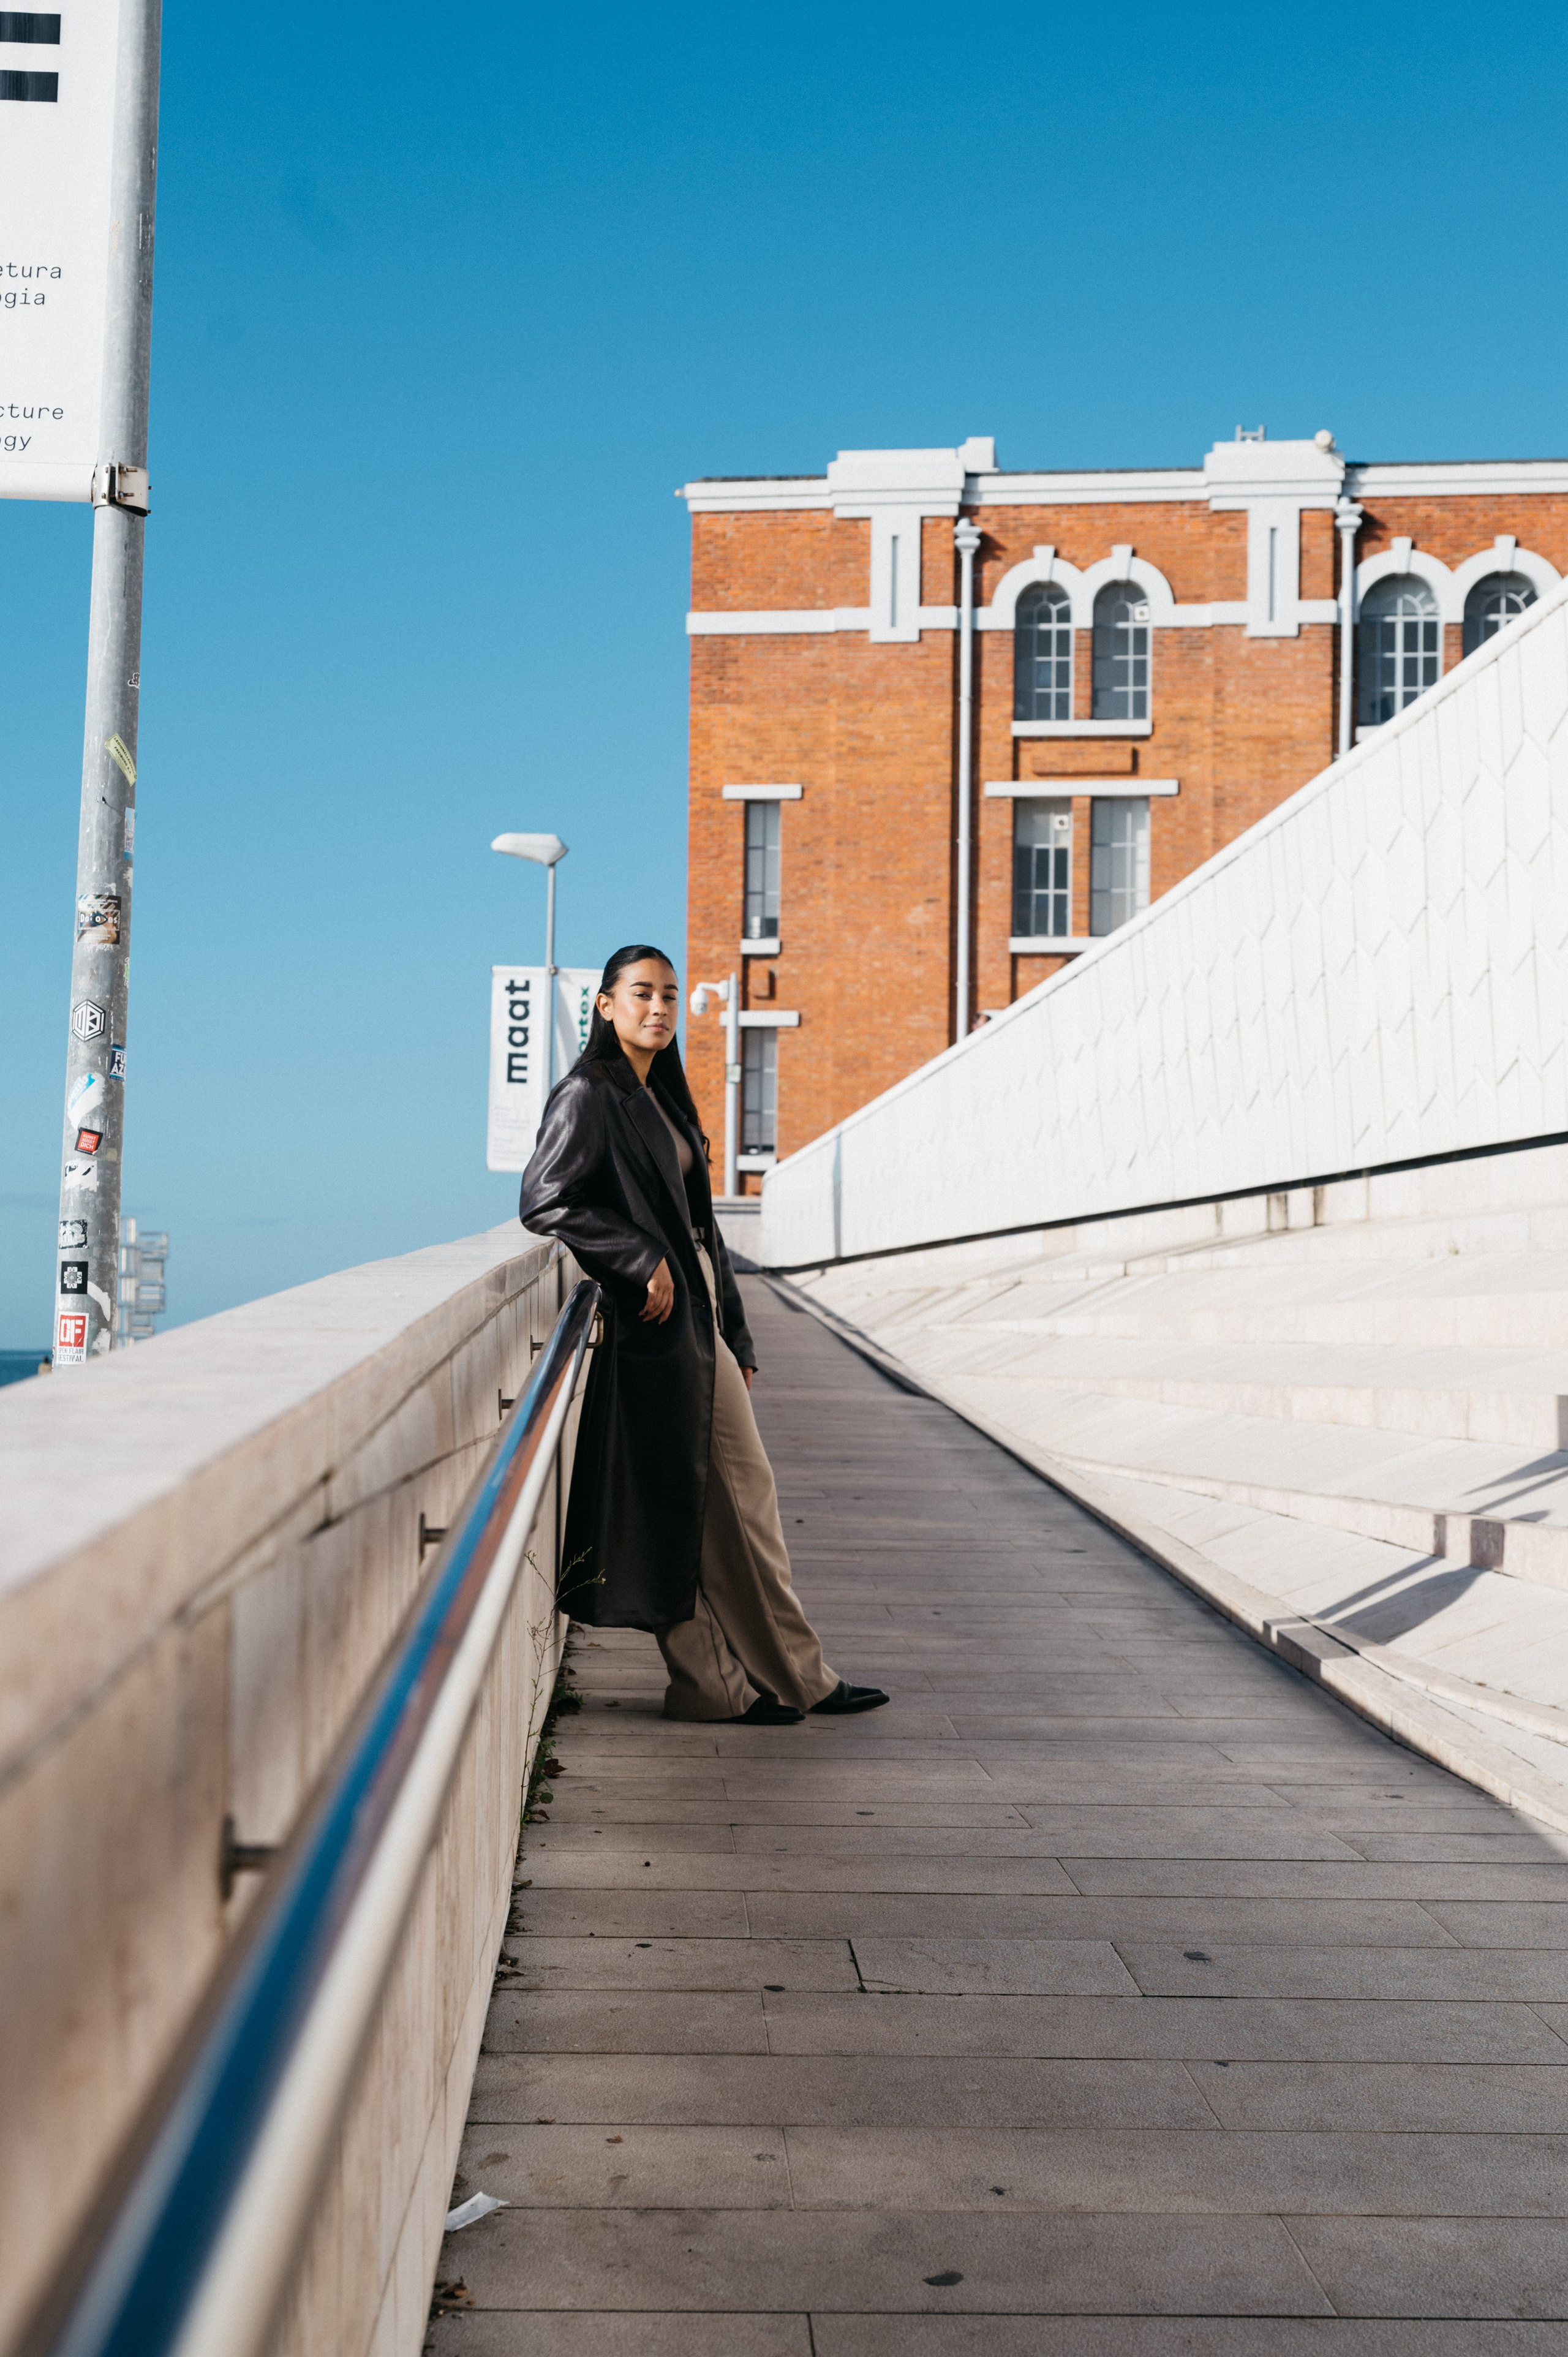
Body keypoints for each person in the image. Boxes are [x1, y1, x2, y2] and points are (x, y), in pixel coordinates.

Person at [519, 944, 888, 1726]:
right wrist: (636, 1255)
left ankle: (726, 1683)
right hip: (654, 1328)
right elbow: (546, 1197)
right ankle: (786, 1677)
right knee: (721, 1498)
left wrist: (741, 1334)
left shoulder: (661, 1093)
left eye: (669, 995)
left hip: (698, 1316)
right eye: (641, 994)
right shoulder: (589, 1091)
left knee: (715, 1503)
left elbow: (704, 1230)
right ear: (604, 1005)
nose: (658, 1007)